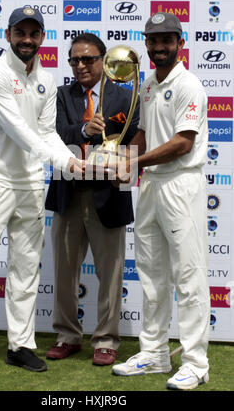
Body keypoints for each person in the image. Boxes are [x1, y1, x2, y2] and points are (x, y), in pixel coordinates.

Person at [0, 6, 83, 376]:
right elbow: (19, 131)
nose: (27, 40)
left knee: (26, 270)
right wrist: (66, 163)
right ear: (7, 35)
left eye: (34, 34)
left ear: (42, 38)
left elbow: (46, 134)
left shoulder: (45, 81)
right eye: (20, 33)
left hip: (29, 185)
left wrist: (70, 158)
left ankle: (20, 344)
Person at [112, 12, 210, 390]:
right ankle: (153, 353)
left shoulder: (190, 85)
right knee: (152, 275)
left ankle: (195, 363)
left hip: (180, 184)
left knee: (188, 275)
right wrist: (121, 158)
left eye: (167, 40)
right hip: (151, 185)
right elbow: (143, 132)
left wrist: (135, 161)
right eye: (153, 41)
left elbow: (182, 142)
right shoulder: (148, 83)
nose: (159, 47)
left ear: (180, 43)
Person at [45, 33, 140, 366]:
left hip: (109, 194)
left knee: (111, 273)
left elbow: (134, 138)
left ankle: (107, 339)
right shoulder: (59, 96)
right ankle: (67, 335)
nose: (81, 65)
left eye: (88, 59)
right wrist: (83, 131)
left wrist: (124, 167)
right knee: (64, 272)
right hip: (68, 193)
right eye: (74, 60)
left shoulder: (126, 97)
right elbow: (51, 135)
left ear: (104, 61)